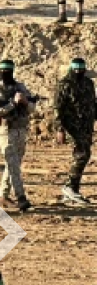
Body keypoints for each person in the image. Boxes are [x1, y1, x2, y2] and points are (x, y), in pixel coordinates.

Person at [0, 60, 36, 212]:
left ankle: (3, 195)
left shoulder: (20, 87)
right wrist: (13, 103)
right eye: (3, 70)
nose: (6, 73)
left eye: (8, 70)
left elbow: (32, 109)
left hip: (20, 129)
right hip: (5, 130)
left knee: (13, 164)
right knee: (13, 164)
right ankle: (21, 197)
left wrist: (26, 102)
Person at [56, 57, 96, 205]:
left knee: (83, 154)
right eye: (76, 69)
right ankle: (70, 186)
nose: (79, 72)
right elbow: (58, 108)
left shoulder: (88, 83)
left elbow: (93, 104)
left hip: (87, 126)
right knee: (82, 154)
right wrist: (60, 129)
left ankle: (72, 191)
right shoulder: (64, 84)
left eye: (81, 69)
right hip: (72, 126)